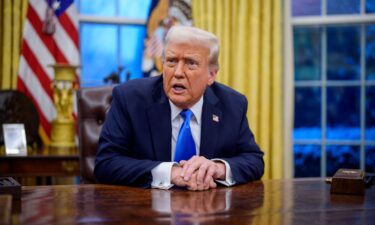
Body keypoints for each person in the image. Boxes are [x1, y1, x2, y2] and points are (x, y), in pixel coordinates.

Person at [94, 26, 264, 191]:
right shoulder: (130, 99)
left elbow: (254, 160)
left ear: (211, 74)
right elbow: (106, 163)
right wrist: (170, 173)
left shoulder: (232, 104)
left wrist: (217, 169)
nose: (178, 72)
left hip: (209, 210)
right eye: (171, 61)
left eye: (191, 63)